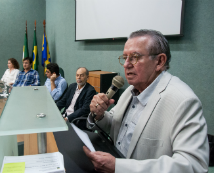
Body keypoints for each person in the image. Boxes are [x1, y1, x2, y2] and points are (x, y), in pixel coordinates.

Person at [84, 30, 209, 173]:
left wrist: (118, 167)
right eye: (125, 58)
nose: (126, 65)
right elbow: (114, 121)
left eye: (134, 57)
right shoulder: (131, 89)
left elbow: (194, 166)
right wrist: (99, 115)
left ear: (160, 61)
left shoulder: (184, 101)